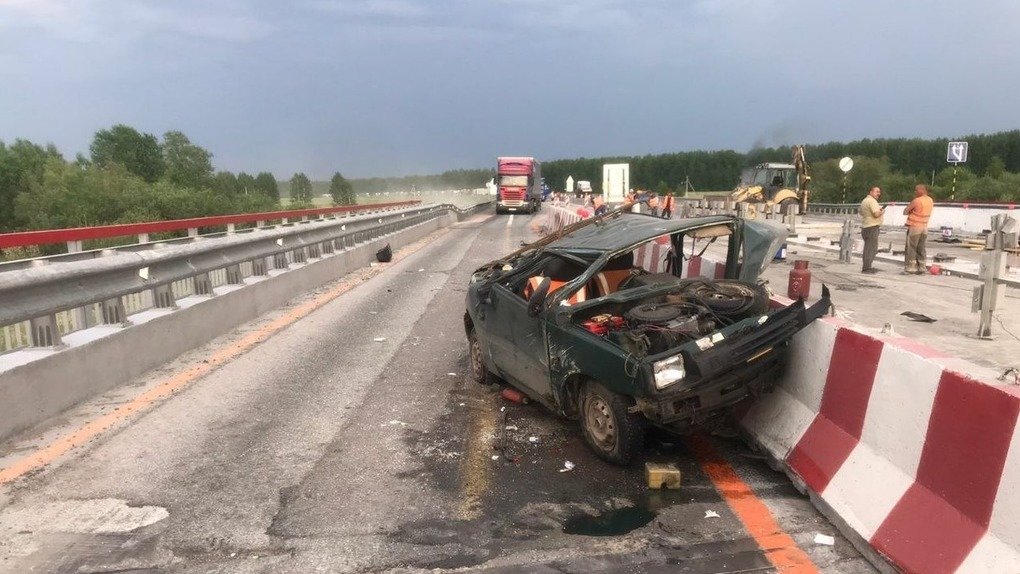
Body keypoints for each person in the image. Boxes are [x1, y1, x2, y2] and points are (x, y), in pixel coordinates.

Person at [903, 184, 934, 274]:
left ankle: (911, 267)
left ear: (922, 190)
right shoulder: (930, 200)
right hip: (924, 227)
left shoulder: (917, 201)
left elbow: (905, 211)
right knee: (921, 247)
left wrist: (911, 211)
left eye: (916, 190)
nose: (915, 192)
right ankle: (922, 267)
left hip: (915, 227)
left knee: (911, 247)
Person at [858, 186, 885, 273]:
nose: (879, 194)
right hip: (872, 227)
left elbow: (861, 212)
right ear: (871, 192)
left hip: (866, 226)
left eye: (879, 192)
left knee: (869, 248)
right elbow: (876, 214)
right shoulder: (872, 201)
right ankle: (866, 268)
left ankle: (867, 266)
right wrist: (882, 212)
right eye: (877, 192)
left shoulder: (865, 200)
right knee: (871, 249)